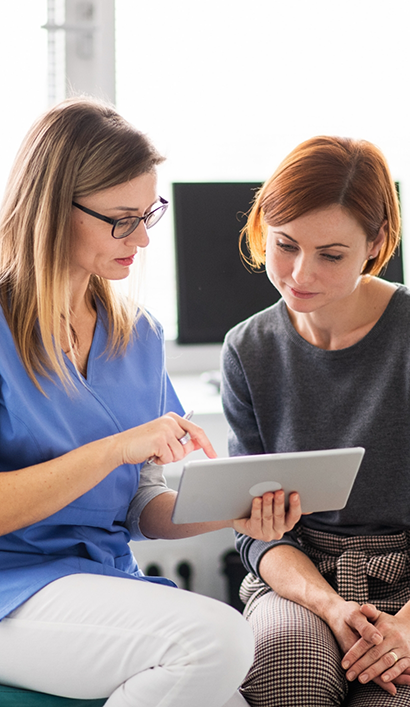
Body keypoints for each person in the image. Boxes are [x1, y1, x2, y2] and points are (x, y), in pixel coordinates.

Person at [0, 97, 303, 707]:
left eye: (148, 214)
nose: (140, 237)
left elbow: (143, 505)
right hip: (14, 590)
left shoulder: (135, 336)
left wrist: (229, 511)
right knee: (217, 638)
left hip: (101, 581)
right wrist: (115, 448)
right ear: (54, 210)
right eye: (120, 218)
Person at [221, 135, 410, 707]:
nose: (301, 274)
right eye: (284, 245)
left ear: (375, 242)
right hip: (299, 578)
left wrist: (404, 627)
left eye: (331, 255)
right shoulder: (247, 349)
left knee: (391, 691)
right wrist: (329, 605)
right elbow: (257, 536)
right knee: (288, 675)